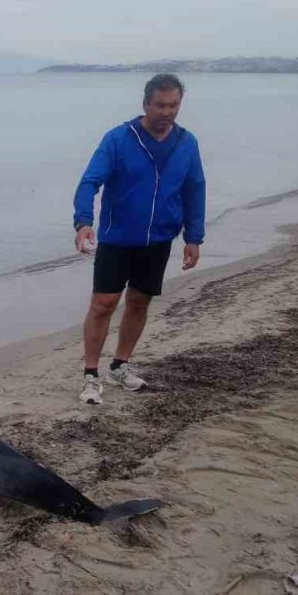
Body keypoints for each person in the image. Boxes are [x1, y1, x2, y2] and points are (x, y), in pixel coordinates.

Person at [71, 73, 207, 404]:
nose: (167, 112)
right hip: (118, 238)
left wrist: (194, 237)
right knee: (103, 304)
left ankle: (120, 365)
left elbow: (195, 190)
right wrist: (83, 222)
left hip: (159, 239)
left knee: (139, 302)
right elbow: (90, 181)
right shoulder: (119, 139)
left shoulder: (186, 143)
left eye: (174, 105)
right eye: (160, 105)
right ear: (146, 104)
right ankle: (91, 375)